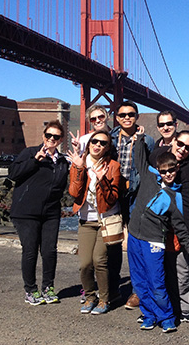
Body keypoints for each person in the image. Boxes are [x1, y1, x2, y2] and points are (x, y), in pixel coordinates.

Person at [129, 132, 189, 332]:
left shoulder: (174, 196)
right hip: (134, 235)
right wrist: (139, 139)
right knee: (138, 280)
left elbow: (179, 225)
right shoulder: (147, 176)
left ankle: (167, 317)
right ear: (157, 170)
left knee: (156, 281)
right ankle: (149, 314)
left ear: (177, 169)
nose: (168, 173)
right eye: (164, 171)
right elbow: (140, 158)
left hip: (154, 241)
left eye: (171, 170)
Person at [9, 120, 70, 306]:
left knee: (50, 251)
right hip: (26, 211)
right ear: (43, 136)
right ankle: (30, 290)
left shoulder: (62, 161)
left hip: (51, 212)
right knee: (30, 251)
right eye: (48, 135)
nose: (51, 139)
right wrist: (35, 160)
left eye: (56, 136)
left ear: (61, 140)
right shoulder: (29, 153)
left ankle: (48, 288)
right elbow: (13, 174)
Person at [150, 130, 189, 323]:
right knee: (161, 271)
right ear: (173, 140)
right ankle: (164, 307)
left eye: (188, 147)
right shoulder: (157, 157)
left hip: (181, 229)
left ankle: (184, 309)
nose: (182, 149)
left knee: (183, 272)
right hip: (158, 230)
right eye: (180, 143)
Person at [68, 130, 123, 315]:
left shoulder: (113, 166)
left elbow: (112, 199)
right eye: (95, 141)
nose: (98, 145)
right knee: (84, 263)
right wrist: (79, 169)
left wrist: (102, 181)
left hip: (105, 220)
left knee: (99, 260)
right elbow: (74, 193)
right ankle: (90, 297)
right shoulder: (79, 162)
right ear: (89, 143)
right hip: (85, 220)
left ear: (108, 148)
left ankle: (104, 299)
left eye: (103, 143)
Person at [110, 100, 154, 310]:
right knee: (112, 242)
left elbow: (153, 170)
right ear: (117, 118)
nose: (127, 117)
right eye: (122, 115)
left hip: (137, 195)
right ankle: (111, 288)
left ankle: (138, 291)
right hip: (114, 195)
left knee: (137, 244)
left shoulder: (148, 140)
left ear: (137, 116)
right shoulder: (109, 139)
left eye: (131, 114)